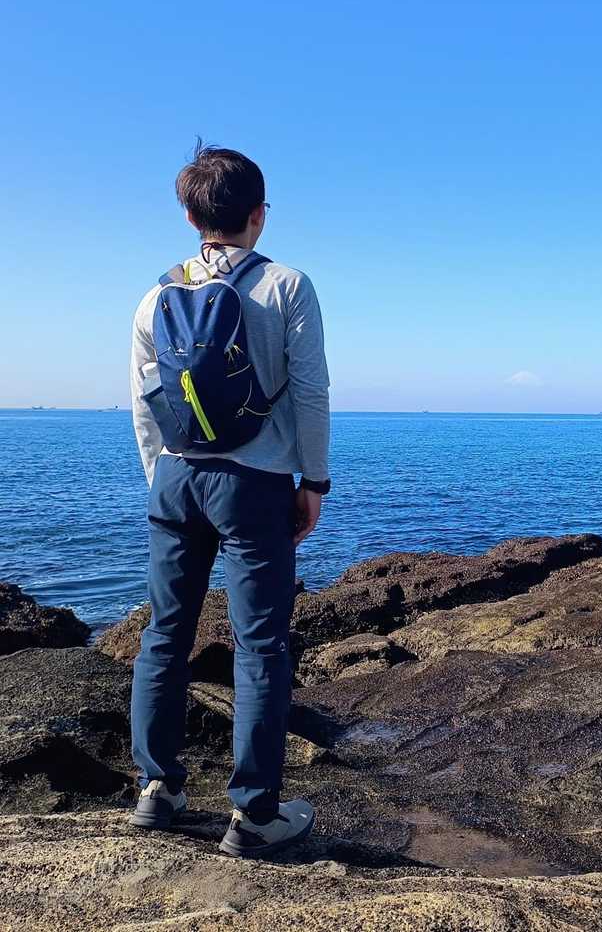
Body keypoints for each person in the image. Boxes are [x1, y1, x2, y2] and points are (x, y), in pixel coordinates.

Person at [128, 142, 331, 858]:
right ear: (259, 215)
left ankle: (157, 790)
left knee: (165, 633)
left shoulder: (157, 295)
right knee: (260, 645)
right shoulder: (286, 286)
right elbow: (310, 392)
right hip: (254, 484)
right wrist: (313, 482)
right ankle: (253, 816)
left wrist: (161, 478)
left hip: (176, 479)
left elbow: (145, 402)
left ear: (190, 217)